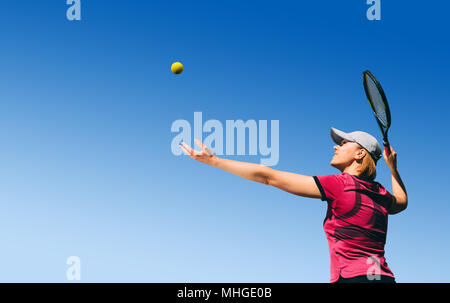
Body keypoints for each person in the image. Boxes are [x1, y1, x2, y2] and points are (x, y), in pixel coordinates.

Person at [179, 127, 408, 283]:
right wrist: (393, 169)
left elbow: (269, 176)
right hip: (385, 278)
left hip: (352, 278)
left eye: (344, 143)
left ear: (360, 153)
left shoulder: (339, 184)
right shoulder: (380, 194)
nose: (336, 146)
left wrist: (214, 160)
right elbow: (402, 202)